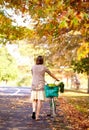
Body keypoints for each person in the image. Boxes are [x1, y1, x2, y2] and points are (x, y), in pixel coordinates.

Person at [30, 55, 59, 120]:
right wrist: (56, 79)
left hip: (34, 84)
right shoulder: (44, 67)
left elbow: (33, 75)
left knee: (34, 100)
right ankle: (37, 116)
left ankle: (33, 111)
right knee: (40, 101)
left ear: (36, 60)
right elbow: (50, 74)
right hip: (41, 85)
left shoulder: (33, 67)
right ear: (42, 61)